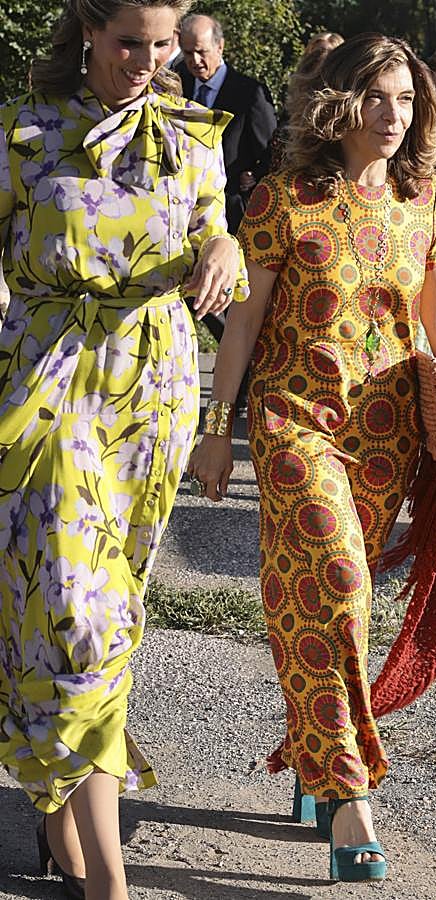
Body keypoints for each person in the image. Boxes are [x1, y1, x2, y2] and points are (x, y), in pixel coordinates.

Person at [187, 32, 436, 883]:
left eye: (407, 99)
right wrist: (216, 427)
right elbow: (243, 320)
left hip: (386, 432)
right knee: (337, 578)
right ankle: (348, 794)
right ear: (342, 104)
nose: (394, 114)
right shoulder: (283, 198)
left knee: (337, 605)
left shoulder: (424, 199)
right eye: (377, 97)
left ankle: (313, 748)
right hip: (293, 423)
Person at [0, 1, 247, 898]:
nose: (147, 60)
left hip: (153, 394)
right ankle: (111, 883)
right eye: (129, 43)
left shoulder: (192, 134)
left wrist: (224, 249)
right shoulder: (23, 131)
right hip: (50, 383)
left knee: (105, 617)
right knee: (78, 611)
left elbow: (217, 229)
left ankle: (59, 808)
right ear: (89, 33)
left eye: (163, 44)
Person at [176, 13, 277, 234]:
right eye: (188, 53)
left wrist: (253, 175)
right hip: (180, 208)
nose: (195, 61)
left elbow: (271, 150)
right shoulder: (177, 84)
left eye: (201, 52)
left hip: (230, 211)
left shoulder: (250, 93)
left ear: (220, 46)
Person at [269, 30, 344, 171]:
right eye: (316, 54)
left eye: (329, 54)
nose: (321, 58)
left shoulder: (347, 130)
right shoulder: (287, 129)